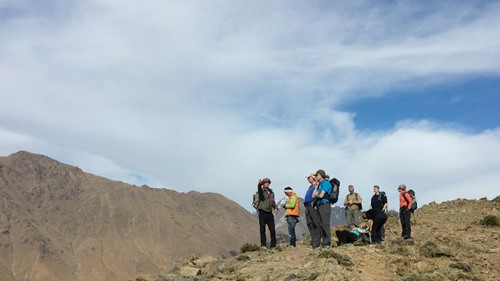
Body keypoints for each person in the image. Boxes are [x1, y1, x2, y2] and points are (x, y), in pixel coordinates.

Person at [254, 178, 278, 248]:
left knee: (272, 229)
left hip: (269, 212)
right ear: (263, 184)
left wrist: (275, 208)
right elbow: (259, 192)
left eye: (268, 183)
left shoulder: (271, 192)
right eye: (266, 183)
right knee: (262, 229)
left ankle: (273, 244)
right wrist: (259, 185)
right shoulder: (261, 192)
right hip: (262, 212)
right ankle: (263, 244)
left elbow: (273, 202)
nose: (267, 184)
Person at [313, 169, 332, 249]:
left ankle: (327, 242)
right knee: (321, 224)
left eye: (316, 175)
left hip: (325, 205)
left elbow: (320, 196)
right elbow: (313, 195)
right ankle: (323, 242)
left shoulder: (326, 183)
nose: (315, 177)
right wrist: (316, 186)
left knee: (325, 224)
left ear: (320, 175)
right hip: (319, 206)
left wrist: (317, 194)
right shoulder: (320, 185)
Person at [303, 173, 321, 248]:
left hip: (312, 205)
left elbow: (318, 194)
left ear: (313, 178)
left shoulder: (317, 185)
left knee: (315, 222)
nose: (307, 179)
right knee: (309, 223)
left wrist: (315, 203)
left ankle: (317, 242)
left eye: (308, 177)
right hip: (307, 206)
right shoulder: (311, 186)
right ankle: (313, 240)